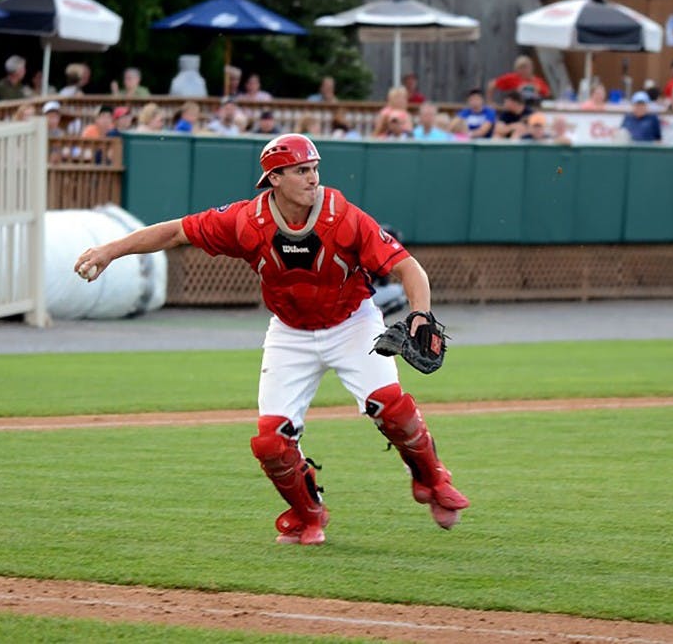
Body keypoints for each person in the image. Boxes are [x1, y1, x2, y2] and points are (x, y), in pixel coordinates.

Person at [73, 133, 470, 545]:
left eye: (314, 168)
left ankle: (432, 479)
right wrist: (110, 251)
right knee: (270, 442)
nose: (312, 178)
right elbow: (176, 232)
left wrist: (420, 314)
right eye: (301, 171)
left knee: (392, 408)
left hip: (351, 322)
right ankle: (308, 512)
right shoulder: (248, 221)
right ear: (274, 178)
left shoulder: (343, 216)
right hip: (290, 332)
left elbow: (409, 268)